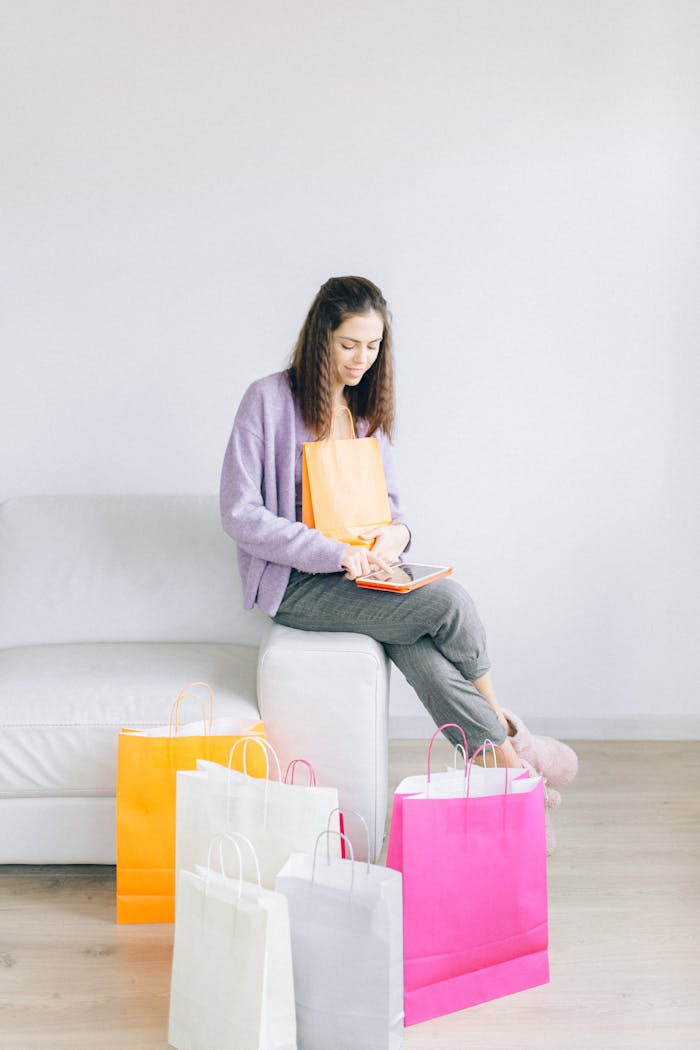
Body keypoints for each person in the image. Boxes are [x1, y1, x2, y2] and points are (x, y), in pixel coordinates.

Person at [220, 276, 577, 807]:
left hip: (366, 573)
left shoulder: (366, 409)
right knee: (448, 601)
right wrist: (336, 553)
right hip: (298, 585)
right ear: (320, 337)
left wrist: (397, 536)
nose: (361, 359)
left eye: (373, 345)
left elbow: (394, 510)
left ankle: (507, 777)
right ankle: (511, 743)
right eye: (348, 344)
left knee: (420, 651)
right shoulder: (267, 400)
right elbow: (239, 513)